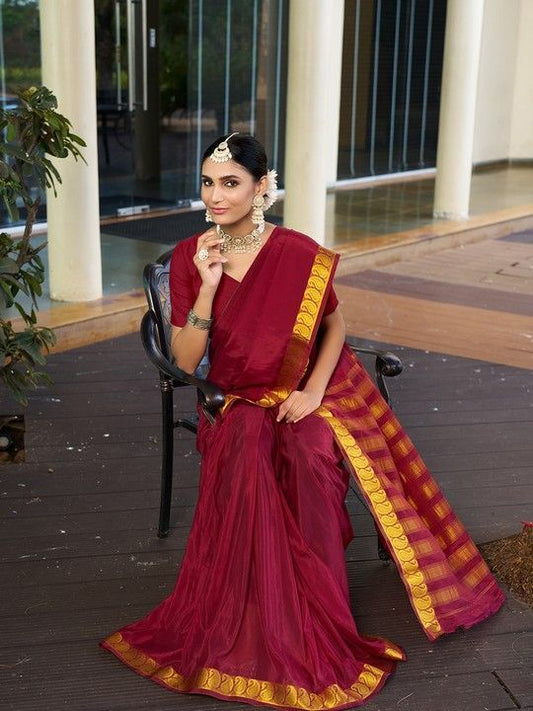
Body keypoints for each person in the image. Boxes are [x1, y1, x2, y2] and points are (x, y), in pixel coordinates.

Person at [101, 133, 504, 709]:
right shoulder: (195, 256)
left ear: (262, 186)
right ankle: (253, 604)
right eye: (208, 183)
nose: (215, 196)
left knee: (311, 457)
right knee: (246, 455)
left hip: (301, 391)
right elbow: (186, 363)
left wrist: (314, 392)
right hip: (234, 396)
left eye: (231, 183)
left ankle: (317, 602)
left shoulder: (295, 252)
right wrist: (208, 289)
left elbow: (334, 327)